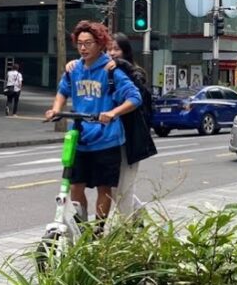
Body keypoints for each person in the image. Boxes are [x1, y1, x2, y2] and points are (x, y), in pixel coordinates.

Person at [46, 21, 141, 229]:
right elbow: (63, 91)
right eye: (79, 43)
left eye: (88, 43)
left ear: (99, 44)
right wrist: (55, 109)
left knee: (103, 189)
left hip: (107, 140)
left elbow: (134, 97)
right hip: (79, 138)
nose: (83, 48)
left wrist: (113, 112)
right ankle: (81, 229)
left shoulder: (111, 70)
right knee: (75, 187)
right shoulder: (74, 69)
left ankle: (97, 231)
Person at [70, 33, 157, 220]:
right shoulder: (103, 71)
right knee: (115, 189)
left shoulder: (133, 72)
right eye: (108, 49)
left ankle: (128, 234)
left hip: (129, 141)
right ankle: (140, 219)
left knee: (122, 190)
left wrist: (122, 66)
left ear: (125, 52)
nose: (111, 53)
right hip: (107, 139)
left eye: (116, 49)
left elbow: (138, 97)